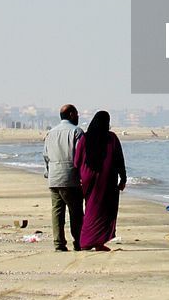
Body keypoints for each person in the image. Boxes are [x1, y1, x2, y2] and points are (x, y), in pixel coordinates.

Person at [74, 111, 126, 251]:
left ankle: (93, 242)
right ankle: (89, 242)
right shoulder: (112, 138)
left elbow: (77, 160)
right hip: (106, 178)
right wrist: (123, 178)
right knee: (104, 209)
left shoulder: (85, 138)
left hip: (87, 177)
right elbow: (119, 159)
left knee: (90, 206)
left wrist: (79, 176)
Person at [43, 104, 84, 252]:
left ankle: (59, 243)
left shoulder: (51, 133)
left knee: (57, 211)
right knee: (76, 212)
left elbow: (46, 156)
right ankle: (79, 242)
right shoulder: (77, 132)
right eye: (77, 114)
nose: (78, 117)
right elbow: (81, 156)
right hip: (70, 177)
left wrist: (48, 172)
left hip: (54, 177)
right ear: (72, 114)